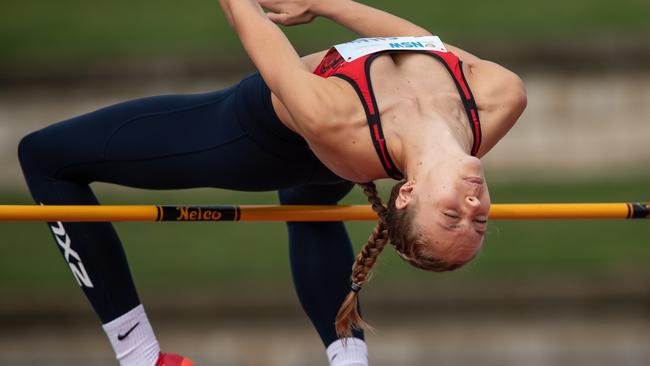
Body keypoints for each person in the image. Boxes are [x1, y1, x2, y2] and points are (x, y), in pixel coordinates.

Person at [17, 0, 527, 365]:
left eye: (451, 214)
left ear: (410, 193)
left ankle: (140, 355)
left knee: (44, 157)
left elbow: (252, 28)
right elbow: (424, 47)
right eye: (478, 219)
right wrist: (331, 5)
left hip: (255, 143)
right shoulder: (500, 99)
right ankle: (349, 360)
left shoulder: (337, 121)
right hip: (343, 153)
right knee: (311, 212)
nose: (472, 202)